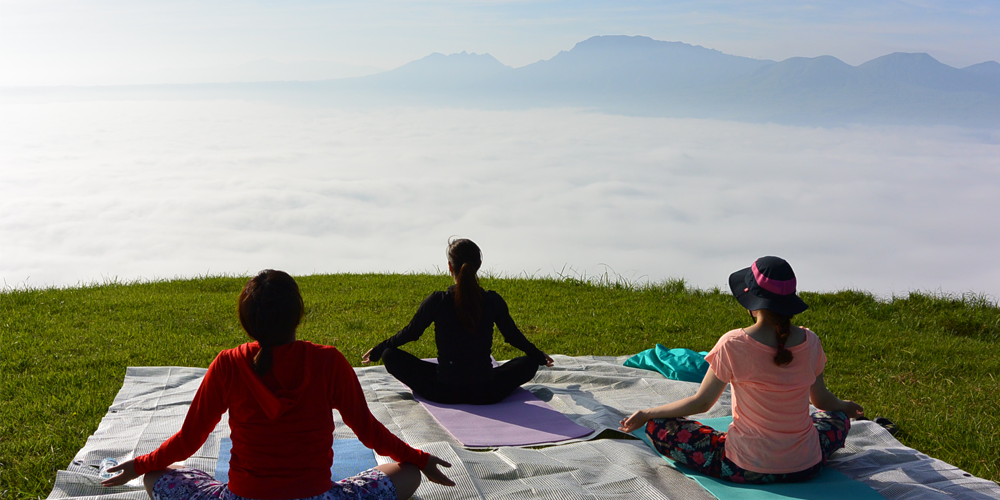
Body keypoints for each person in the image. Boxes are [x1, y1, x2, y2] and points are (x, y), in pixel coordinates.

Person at [102, 270, 454, 500]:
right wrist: (419, 459)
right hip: (317, 497)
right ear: (297, 314)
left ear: (247, 321)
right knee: (408, 475)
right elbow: (370, 433)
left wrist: (139, 465)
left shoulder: (228, 363)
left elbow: (188, 441)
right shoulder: (328, 361)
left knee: (158, 475)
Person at [619, 256, 864, 484]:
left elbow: (702, 403)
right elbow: (821, 400)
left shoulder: (733, 343)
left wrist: (647, 412)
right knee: (837, 418)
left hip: (744, 468)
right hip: (806, 466)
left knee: (659, 426)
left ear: (752, 302)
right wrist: (845, 406)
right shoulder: (811, 341)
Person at [363, 238, 554, 405]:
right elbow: (513, 336)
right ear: (479, 264)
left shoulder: (438, 300)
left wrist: (380, 350)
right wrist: (537, 355)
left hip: (444, 391)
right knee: (529, 363)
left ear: (449, 266)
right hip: (485, 391)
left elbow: (411, 332)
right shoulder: (491, 300)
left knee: (390, 355)